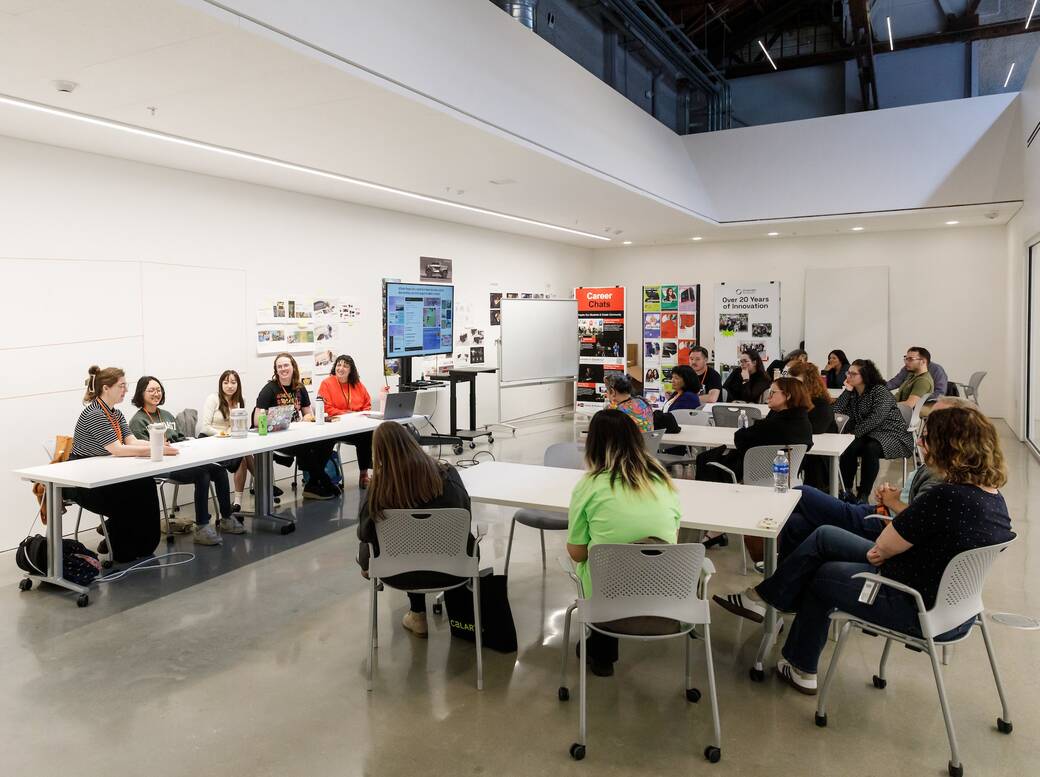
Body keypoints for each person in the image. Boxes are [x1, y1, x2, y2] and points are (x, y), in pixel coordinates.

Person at [714, 404, 1013, 695]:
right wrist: (886, 549)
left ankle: (795, 655)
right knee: (820, 535)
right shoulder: (994, 500)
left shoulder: (947, 497)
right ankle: (772, 607)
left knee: (824, 573)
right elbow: (899, 544)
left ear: (949, 446)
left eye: (926, 438)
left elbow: (884, 545)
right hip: (954, 608)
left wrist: (885, 550)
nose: (921, 443)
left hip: (912, 603)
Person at [567, 409, 682, 676]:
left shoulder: (589, 486)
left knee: (600, 563)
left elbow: (576, 553)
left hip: (608, 594)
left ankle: (601, 651)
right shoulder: (663, 481)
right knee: (626, 560)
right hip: (667, 593)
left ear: (592, 443)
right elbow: (671, 539)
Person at [356, 422, 473, 638]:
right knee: (430, 539)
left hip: (397, 572)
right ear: (413, 444)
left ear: (379, 454)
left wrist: (366, 563)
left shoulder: (377, 489)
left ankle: (417, 615)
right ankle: (462, 615)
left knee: (399, 543)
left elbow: (364, 533)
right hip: (452, 568)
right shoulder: (448, 475)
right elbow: (465, 515)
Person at [68, 366, 174, 562]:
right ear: (106, 388)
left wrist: (157, 443)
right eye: (122, 386)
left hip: (105, 472)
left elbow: (131, 441)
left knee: (145, 485)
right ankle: (123, 552)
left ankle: (144, 546)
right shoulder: (94, 414)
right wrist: (156, 449)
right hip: (83, 481)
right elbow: (117, 449)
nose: (125, 390)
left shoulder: (115, 413)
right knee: (126, 498)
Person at [696, 377, 815, 550]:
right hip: (787, 478)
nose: (768, 397)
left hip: (753, 477)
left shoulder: (769, 426)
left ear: (787, 396)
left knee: (706, 461)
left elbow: (740, 439)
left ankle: (715, 526)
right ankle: (717, 529)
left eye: (773, 393)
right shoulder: (805, 423)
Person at [129, 376, 243, 543]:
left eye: (158, 389)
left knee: (218, 470)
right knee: (202, 474)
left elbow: (180, 438)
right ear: (141, 393)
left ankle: (226, 517)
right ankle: (202, 527)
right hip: (160, 467)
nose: (156, 393)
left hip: (182, 460)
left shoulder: (166, 415)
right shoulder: (138, 421)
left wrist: (188, 442)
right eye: (151, 390)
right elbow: (142, 451)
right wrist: (163, 447)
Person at [254, 352, 339, 500]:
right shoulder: (269, 389)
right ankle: (325, 481)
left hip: (297, 433)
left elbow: (307, 413)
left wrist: (306, 419)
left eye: (286, 365)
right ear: (276, 370)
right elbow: (256, 420)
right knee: (305, 447)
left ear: (293, 366)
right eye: (279, 366)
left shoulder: (299, 387)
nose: (283, 369)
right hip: (277, 439)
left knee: (328, 440)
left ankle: (312, 484)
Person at [834, 359, 914, 502]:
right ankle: (846, 491)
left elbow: (877, 418)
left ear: (864, 376)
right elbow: (836, 411)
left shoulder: (879, 391)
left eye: (853, 374)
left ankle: (863, 495)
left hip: (891, 433)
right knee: (849, 446)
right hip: (868, 433)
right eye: (848, 373)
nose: (848, 376)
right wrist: (847, 391)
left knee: (870, 449)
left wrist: (854, 434)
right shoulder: (853, 392)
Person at [198, 369, 260, 512]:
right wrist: (223, 434)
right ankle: (263, 485)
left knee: (245, 452)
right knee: (243, 456)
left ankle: (240, 500)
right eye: (226, 382)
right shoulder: (213, 399)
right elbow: (205, 427)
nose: (229, 386)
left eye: (233, 382)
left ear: (238, 384)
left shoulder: (240, 400)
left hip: (231, 441)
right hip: (211, 440)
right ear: (221, 384)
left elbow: (240, 425)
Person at [318, 354, 377, 489]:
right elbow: (326, 407)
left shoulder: (357, 384)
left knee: (367, 435)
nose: (341, 368)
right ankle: (321, 477)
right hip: (336, 427)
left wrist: (360, 415)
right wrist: (347, 414)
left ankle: (364, 474)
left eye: (345, 366)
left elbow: (367, 405)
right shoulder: (327, 383)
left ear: (351, 370)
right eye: (339, 364)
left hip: (356, 427)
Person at [787, 362, 837, 491]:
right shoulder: (792, 400)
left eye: (797, 383)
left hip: (820, 453)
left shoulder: (821, 404)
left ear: (808, 383)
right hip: (799, 446)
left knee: (813, 461)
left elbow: (815, 429)